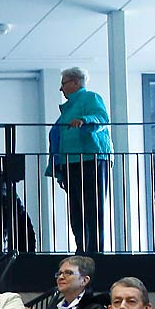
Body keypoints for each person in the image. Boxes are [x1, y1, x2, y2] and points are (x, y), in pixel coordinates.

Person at [50, 66, 111, 254]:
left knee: (91, 208)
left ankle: (93, 251)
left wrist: (85, 119)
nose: (61, 89)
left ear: (76, 82)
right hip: (72, 163)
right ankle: (82, 248)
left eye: (64, 84)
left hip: (90, 159)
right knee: (77, 211)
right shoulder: (68, 110)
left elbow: (101, 118)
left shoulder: (90, 98)